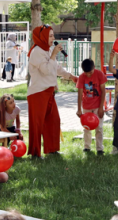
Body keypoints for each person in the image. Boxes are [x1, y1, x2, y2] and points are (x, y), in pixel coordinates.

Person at [26, 25, 78, 157]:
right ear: (42, 37)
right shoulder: (37, 51)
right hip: (38, 93)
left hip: (49, 92)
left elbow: (56, 68)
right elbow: (47, 70)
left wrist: (70, 76)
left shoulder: (47, 50)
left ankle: (52, 149)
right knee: (37, 125)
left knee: (54, 120)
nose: (53, 38)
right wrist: (54, 54)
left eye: (53, 35)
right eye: (50, 36)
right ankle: (35, 153)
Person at [77, 59, 107, 154]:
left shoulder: (99, 74)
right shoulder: (82, 77)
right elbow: (80, 94)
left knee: (99, 127)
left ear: (94, 68)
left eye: (90, 73)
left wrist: (101, 107)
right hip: (86, 106)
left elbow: (103, 91)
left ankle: (99, 148)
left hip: (98, 106)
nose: (88, 75)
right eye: (86, 73)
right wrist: (79, 109)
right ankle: (87, 147)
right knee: (86, 128)